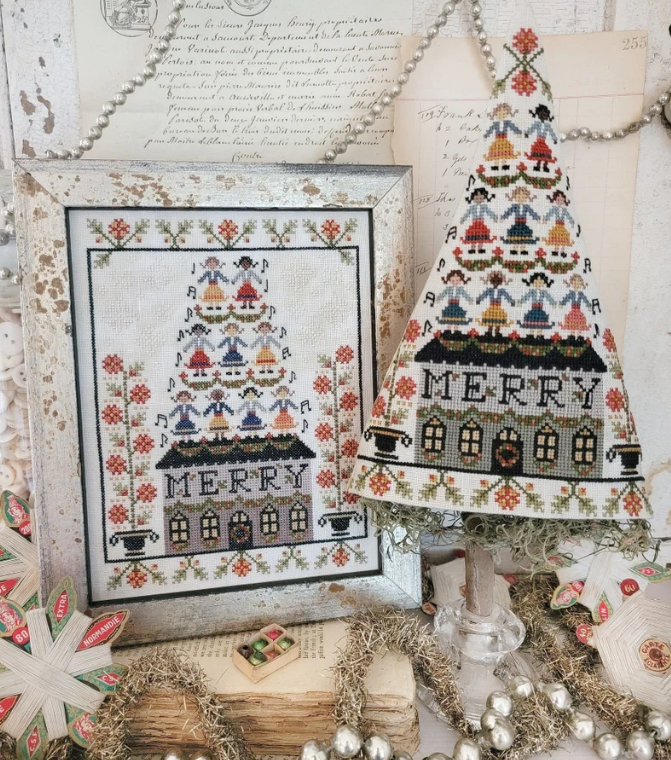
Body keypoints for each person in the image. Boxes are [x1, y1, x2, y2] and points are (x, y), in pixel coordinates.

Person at [501, 186, 540, 255]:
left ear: (526, 197)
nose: (521, 198)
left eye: (523, 197)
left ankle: (523, 249)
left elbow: (532, 212)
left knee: (524, 236)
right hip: (516, 224)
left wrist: (537, 218)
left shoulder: (526, 207)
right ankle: (515, 249)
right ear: (515, 197)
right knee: (515, 236)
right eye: (518, 197)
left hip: (523, 224)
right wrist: (503, 217)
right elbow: (509, 212)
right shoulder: (514, 206)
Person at [483, 103, 522, 170]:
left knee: (504, 152)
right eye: (499, 113)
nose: (501, 115)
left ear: (507, 114)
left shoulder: (507, 123)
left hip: (504, 140)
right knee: (496, 152)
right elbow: (490, 129)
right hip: (497, 141)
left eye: (504, 114)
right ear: (496, 113)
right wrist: (486, 135)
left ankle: (504, 165)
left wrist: (517, 132)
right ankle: (496, 165)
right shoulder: (495, 123)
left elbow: (513, 127)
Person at [476, 271, 515, 335]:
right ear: (491, 281)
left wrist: (511, 301)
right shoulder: (489, 290)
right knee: (490, 320)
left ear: (500, 282)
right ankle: (489, 332)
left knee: (498, 320)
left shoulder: (501, 291)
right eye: (494, 281)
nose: (495, 283)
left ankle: (497, 332)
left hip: (498, 308)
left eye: (497, 281)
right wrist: (479, 300)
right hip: (491, 307)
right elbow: (484, 294)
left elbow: (507, 296)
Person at [460, 188, 498, 254]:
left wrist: (494, 217)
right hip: (474, 224)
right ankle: (472, 248)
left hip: (481, 225)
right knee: (473, 236)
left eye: (480, 198)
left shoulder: (484, 207)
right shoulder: (472, 208)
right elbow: (467, 214)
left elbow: (489, 212)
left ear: (483, 199)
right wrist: (463, 219)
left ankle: (480, 248)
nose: (478, 200)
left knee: (481, 236)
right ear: (473, 199)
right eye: (477, 198)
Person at [525, 104, 558, 173]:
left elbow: (551, 132)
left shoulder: (547, 125)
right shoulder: (537, 123)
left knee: (546, 154)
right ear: (538, 114)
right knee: (539, 154)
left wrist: (554, 139)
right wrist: (527, 133)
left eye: (545, 115)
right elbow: (532, 128)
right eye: (542, 115)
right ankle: (538, 166)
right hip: (538, 142)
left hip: (543, 142)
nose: (544, 116)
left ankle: (545, 166)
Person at [543, 190, 575, 257]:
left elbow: (568, 216)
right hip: (557, 226)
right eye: (558, 200)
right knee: (557, 238)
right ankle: (556, 251)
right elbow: (550, 213)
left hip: (562, 226)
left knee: (564, 239)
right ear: (555, 200)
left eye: (561, 200)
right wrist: (546, 219)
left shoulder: (564, 210)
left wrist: (571, 221)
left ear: (564, 200)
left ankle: (563, 251)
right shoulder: (555, 209)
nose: (560, 201)